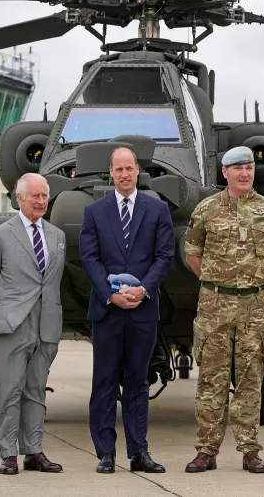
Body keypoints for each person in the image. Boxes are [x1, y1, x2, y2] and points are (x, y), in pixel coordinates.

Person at [183, 145, 264, 474]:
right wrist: (218, 284)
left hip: (254, 306)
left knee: (250, 379)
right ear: (224, 172)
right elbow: (192, 255)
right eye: (238, 168)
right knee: (211, 379)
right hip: (215, 306)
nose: (245, 173)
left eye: (249, 168)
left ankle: (249, 450)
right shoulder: (207, 209)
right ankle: (207, 451)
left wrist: (249, 284)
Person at [80, 147, 174, 474]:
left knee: (137, 382)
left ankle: (139, 452)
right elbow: (89, 259)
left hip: (142, 310)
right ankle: (105, 452)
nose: (124, 174)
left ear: (138, 171)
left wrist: (142, 289)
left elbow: (164, 256)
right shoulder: (94, 211)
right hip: (107, 311)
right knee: (104, 381)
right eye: (118, 169)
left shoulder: (157, 209)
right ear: (111, 172)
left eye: (129, 168)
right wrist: (110, 295)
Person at [0, 172, 66, 475]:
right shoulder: (1, 235)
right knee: (8, 390)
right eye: (35, 196)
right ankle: (7, 453)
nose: (41, 201)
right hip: (11, 322)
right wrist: (8, 307)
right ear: (20, 198)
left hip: (46, 323)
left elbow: (52, 282)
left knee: (36, 390)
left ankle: (34, 451)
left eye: (45, 195)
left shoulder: (57, 236)